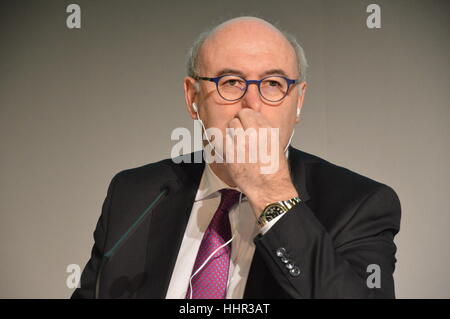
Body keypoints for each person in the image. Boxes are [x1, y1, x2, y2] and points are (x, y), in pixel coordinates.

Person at [72, 16, 401, 299]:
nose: (252, 103)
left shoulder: (360, 205)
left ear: (298, 101)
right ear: (193, 98)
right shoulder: (133, 193)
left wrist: (270, 191)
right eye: (230, 82)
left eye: (272, 83)